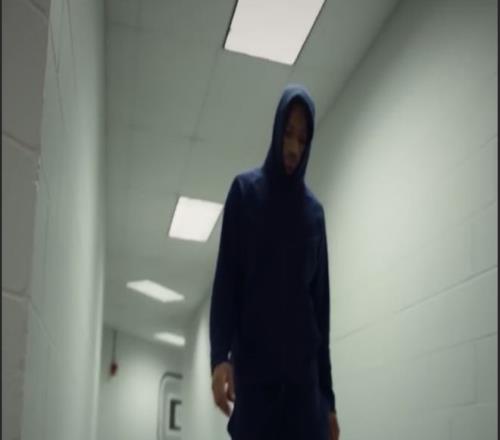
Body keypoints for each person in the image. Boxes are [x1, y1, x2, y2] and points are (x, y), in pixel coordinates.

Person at [209, 84, 340, 440]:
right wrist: (219, 356)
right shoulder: (244, 194)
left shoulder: (314, 215)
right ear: (276, 130)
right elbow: (226, 283)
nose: (293, 147)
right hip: (256, 386)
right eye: (288, 133)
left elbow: (321, 314)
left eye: (302, 138)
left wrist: (328, 401)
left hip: (304, 395)